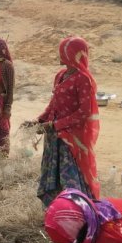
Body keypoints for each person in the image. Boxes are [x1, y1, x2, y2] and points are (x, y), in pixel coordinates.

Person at [30, 36, 100, 208]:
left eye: (64, 51)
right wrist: (39, 120)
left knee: (71, 178)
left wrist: (55, 125)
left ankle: (78, 213)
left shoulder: (84, 79)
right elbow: (54, 103)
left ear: (74, 54)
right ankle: (56, 212)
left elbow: (84, 113)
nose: (60, 54)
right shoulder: (61, 75)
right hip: (54, 136)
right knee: (53, 177)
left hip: (71, 139)